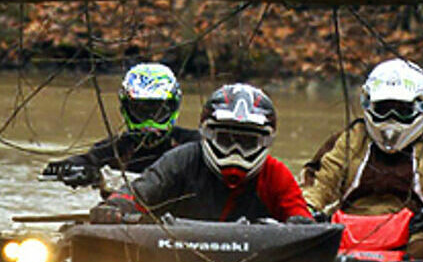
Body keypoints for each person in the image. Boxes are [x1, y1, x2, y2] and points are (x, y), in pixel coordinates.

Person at [300, 58, 423, 258]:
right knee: (310, 249)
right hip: (346, 231)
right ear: (369, 105)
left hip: (415, 233)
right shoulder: (350, 140)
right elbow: (317, 182)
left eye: (402, 111)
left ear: (421, 108)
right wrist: (305, 209)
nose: (391, 119)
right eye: (383, 109)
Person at [90, 83, 313, 224]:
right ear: (207, 133)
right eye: (226, 139)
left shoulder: (275, 174)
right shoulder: (182, 160)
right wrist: (116, 205)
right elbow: (139, 192)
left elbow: (300, 216)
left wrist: (301, 224)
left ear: (265, 141)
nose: (235, 151)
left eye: (246, 141)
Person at [41, 63, 200, 188]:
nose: (150, 121)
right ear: (126, 109)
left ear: (173, 108)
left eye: (158, 111)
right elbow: (88, 159)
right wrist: (73, 169)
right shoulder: (118, 147)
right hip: (124, 217)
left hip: (186, 220)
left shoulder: (193, 145)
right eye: (141, 111)